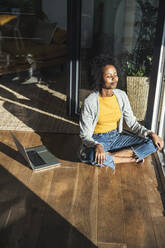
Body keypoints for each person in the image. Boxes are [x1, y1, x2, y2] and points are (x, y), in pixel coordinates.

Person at [79, 59, 164, 171]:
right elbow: (85, 135)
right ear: (99, 79)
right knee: (89, 155)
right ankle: (129, 159)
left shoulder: (121, 96)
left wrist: (151, 133)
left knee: (153, 143)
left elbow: (133, 124)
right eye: (109, 76)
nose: (114, 79)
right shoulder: (90, 102)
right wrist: (97, 146)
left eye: (115, 75)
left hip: (116, 137)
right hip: (98, 139)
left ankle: (111, 157)